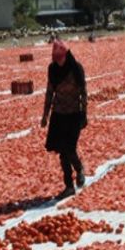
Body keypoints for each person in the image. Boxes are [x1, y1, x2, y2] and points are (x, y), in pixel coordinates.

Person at [41, 39, 88, 199]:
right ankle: (69, 186)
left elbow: (83, 92)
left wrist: (84, 113)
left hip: (74, 114)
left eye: (61, 57)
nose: (59, 61)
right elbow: (49, 92)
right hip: (58, 115)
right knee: (62, 152)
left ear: (67, 55)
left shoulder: (76, 68)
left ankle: (80, 169)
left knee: (70, 148)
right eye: (56, 58)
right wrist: (45, 115)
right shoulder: (52, 69)